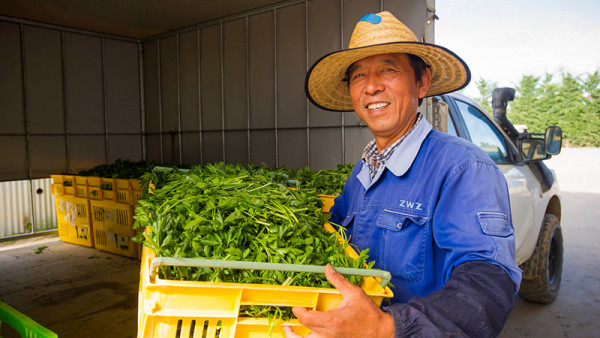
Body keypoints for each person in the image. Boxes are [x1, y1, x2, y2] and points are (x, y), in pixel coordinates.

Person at [284, 11, 522, 337]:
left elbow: (488, 283)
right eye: (358, 76)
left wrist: (386, 327)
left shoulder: (464, 168)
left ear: (421, 82)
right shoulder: (362, 171)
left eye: (388, 69)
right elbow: (333, 243)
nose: (371, 86)